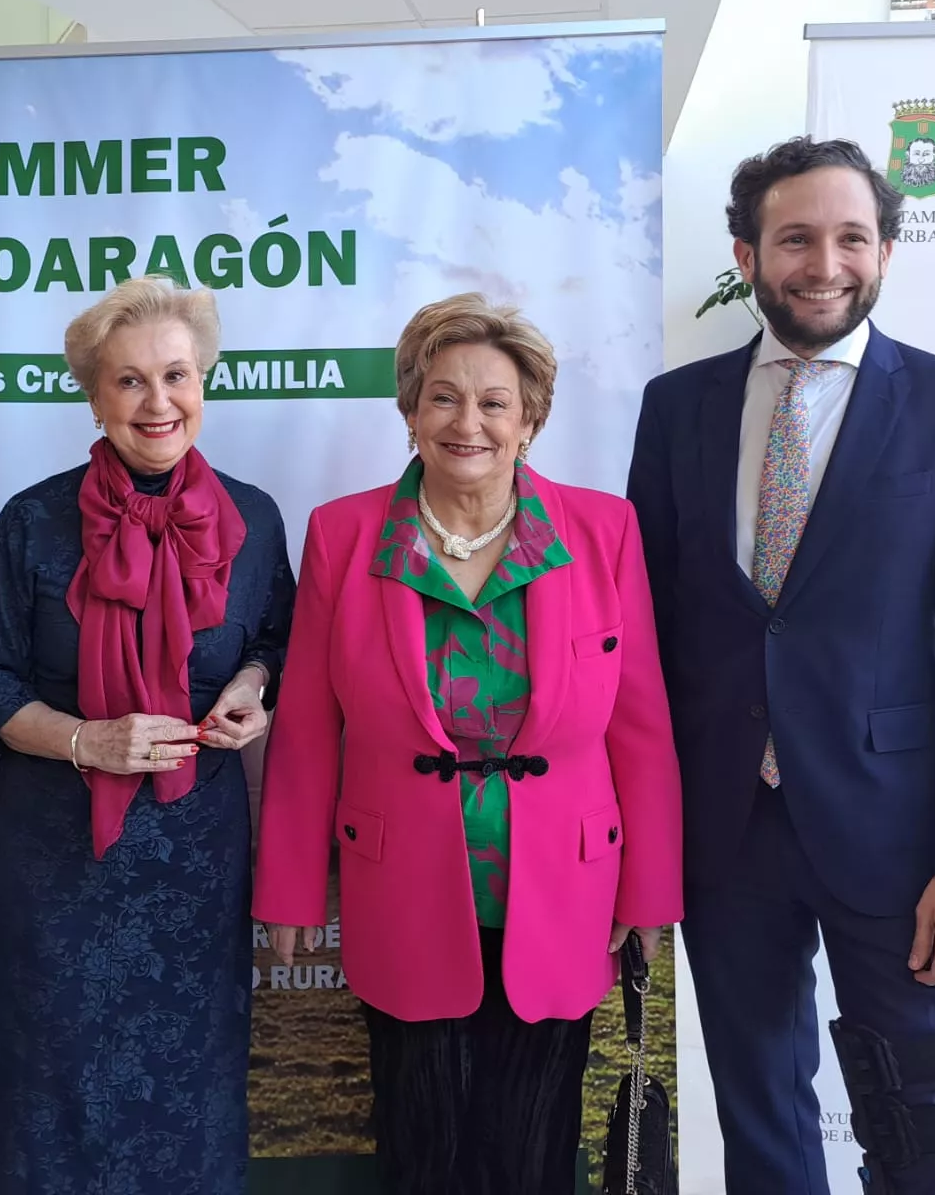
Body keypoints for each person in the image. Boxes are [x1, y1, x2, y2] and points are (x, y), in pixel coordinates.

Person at [626, 139, 935, 1195]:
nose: (823, 262)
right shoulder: (676, 410)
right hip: (724, 831)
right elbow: (646, 630)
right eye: (794, 237)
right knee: (761, 1125)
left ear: (886, 252)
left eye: (850, 237)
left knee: (934, 1133)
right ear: (746, 253)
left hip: (900, 843)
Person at [255, 294, 682, 1195]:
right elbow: (305, 729)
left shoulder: (602, 532)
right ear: (410, 413)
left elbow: (638, 724)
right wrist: (290, 887)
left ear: (531, 419)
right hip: (402, 877)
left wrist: (649, 893)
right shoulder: (344, 532)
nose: (469, 421)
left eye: (495, 400)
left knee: (532, 1144)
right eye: (442, 397)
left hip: (564, 882)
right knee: (424, 1144)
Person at [0, 277, 294, 1194]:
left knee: (195, 1075)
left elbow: (273, 640)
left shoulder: (254, 519)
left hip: (196, 856)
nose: (157, 402)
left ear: (205, 380)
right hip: (58, 854)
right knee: (51, 1076)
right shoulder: (33, 520)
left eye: (176, 375)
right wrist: (81, 741)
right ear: (93, 395)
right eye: (129, 381)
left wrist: (254, 689)